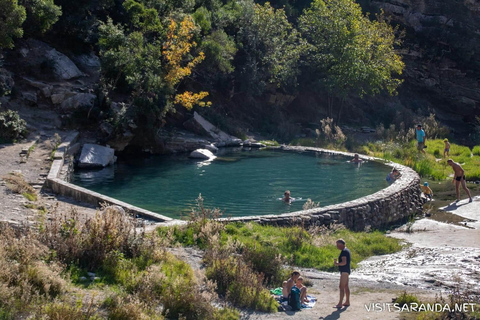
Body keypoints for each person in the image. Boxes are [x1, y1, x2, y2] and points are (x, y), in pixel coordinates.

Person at [334, 239, 351, 308]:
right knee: (346, 286)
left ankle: (340, 303)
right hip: (346, 271)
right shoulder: (347, 250)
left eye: (337, 245)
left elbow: (344, 262)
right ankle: (347, 301)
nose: (337, 246)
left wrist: (337, 264)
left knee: (341, 287)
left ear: (341, 244)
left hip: (344, 271)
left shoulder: (344, 252)